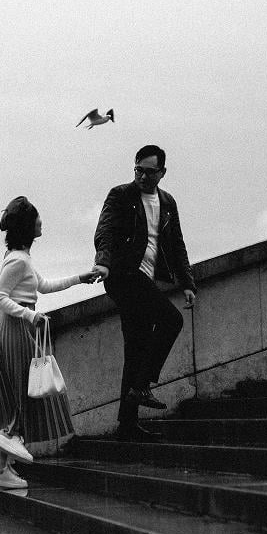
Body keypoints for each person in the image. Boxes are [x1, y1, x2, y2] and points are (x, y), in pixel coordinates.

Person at [0, 196, 100, 488]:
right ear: (29, 226)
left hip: (11, 330)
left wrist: (81, 278)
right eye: (38, 217)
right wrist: (30, 316)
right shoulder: (18, 260)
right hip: (14, 330)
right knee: (23, 396)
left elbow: (43, 286)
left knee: (19, 396)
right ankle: (5, 448)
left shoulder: (21, 258)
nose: (42, 221)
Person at [93, 144, 197, 441]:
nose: (141, 176)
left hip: (148, 280)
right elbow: (106, 231)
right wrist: (103, 262)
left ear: (161, 173)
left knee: (135, 348)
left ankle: (127, 424)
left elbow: (177, 244)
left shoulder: (167, 202)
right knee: (171, 320)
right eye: (137, 169)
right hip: (125, 276)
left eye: (148, 172)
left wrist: (187, 283)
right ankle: (142, 386)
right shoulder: (121, 195)